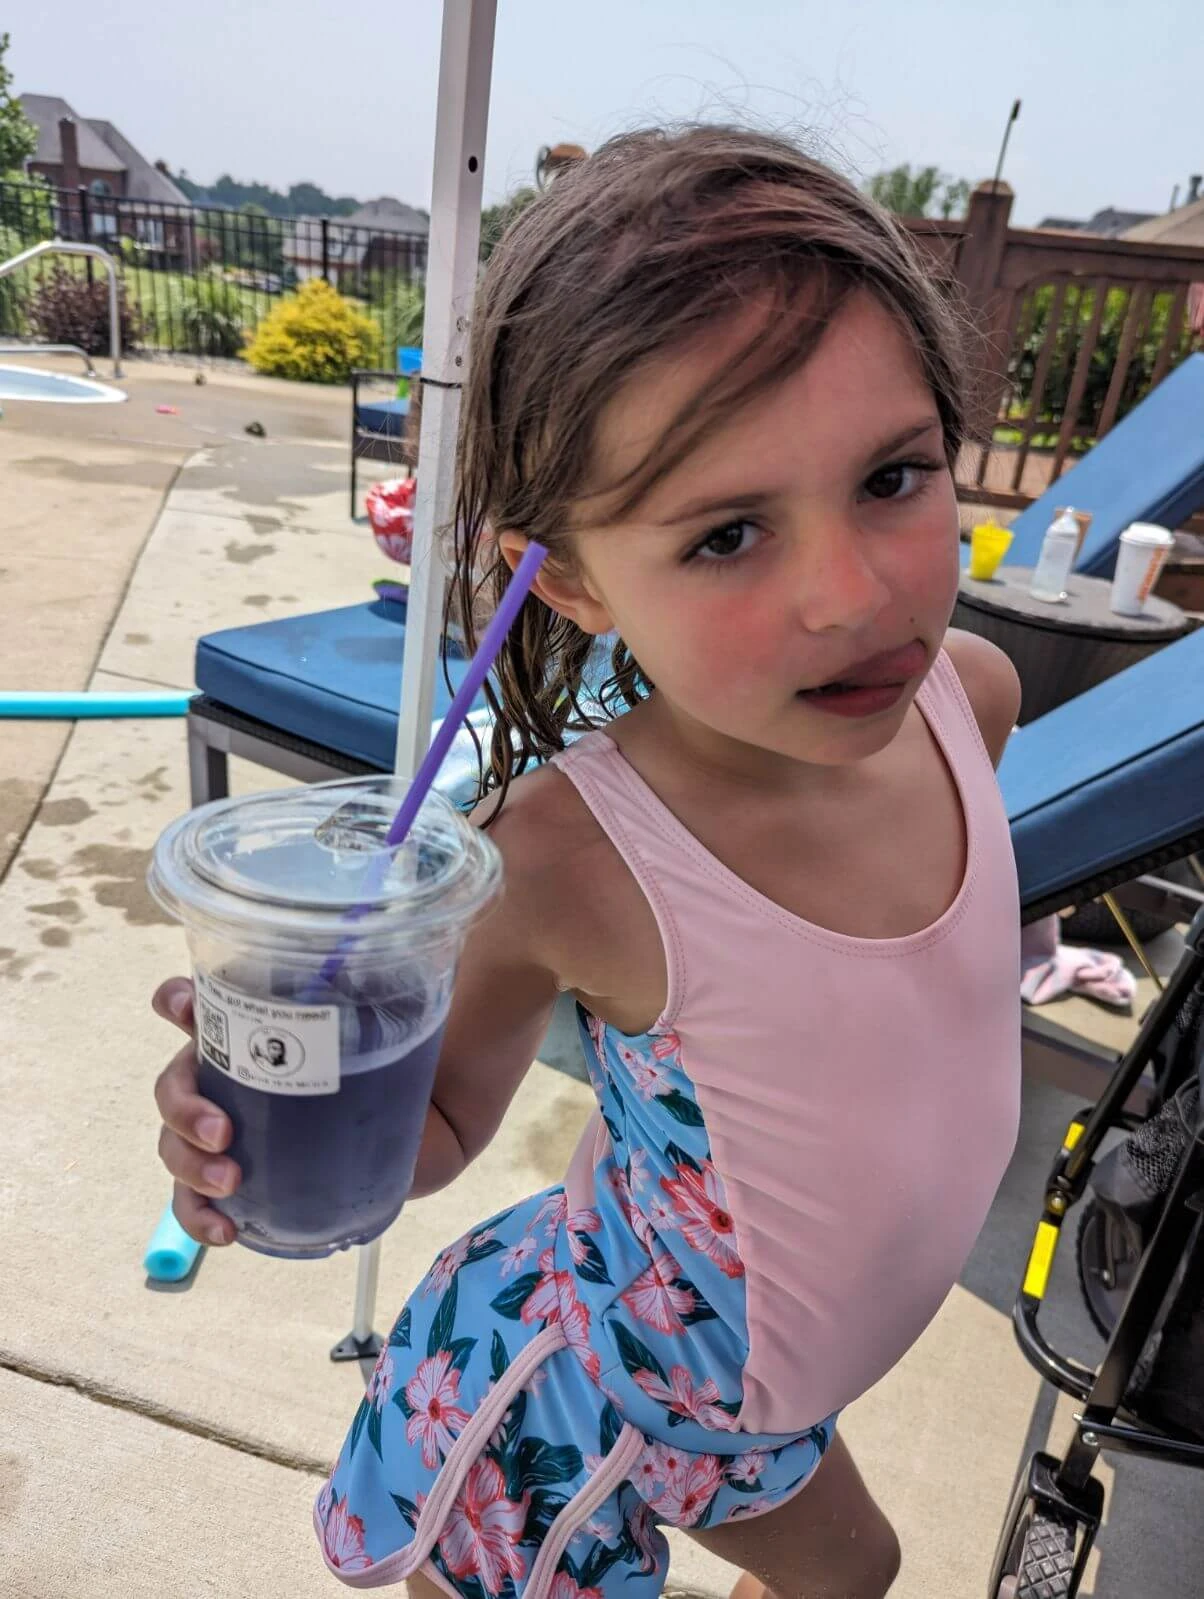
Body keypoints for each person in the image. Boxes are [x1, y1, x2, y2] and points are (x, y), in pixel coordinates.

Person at [152, 126, 1023, 1599]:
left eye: (893, 477)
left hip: (777, 1376)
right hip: (605, 1382)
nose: (852, 596)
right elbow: (424, 1126)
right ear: (571, 577)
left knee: (849, 1572)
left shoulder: (972, 696)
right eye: (730, 531)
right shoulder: (567, 854)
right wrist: (257, 1130)